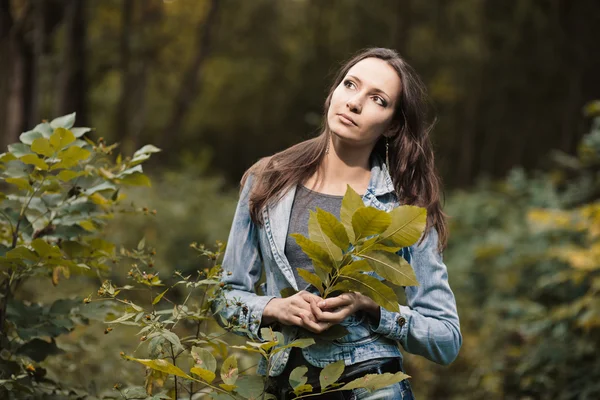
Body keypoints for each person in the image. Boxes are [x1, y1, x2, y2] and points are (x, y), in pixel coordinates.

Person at [211, 47, 462, 400]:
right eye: (350, 85)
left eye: (377, 99)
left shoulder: (404, 205)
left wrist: (372, 306)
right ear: (333, 93)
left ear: (392, 125)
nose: (355, 103)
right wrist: (273, 308)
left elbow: (446, 338)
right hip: (284, 386)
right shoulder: (268, 180)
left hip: (370, 385)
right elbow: (224, 298)